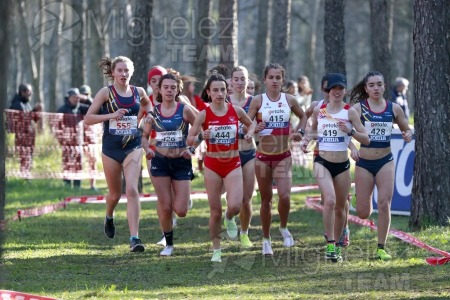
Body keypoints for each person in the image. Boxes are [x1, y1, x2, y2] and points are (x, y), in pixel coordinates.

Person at [84, 56, 152, 252]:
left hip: (133, 146)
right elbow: (88, 118)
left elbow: (149, 107)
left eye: (127, 70)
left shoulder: (138, 92)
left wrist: (147, 119)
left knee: (131, 189)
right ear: (113, 73)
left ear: (131, 73)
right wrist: (111, 115)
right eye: (120, 70)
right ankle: (109, 216)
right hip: (111, 149)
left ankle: (134, 238)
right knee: (115, 194)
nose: (123, 74)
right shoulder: (106, 92)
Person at [187, 72, 256, 262]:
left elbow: (251, 126)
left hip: (233, 163)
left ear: (227, 91)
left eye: (223, 90)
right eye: (215, 90)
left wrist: (249, 134)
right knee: (214, 210)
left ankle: (230, 217)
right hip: (212, 165)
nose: (219, 93)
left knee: (235, 205)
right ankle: (216, 249)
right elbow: (190, 139)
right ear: (208, 93)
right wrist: (203, 136)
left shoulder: (236, 111)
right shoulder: (204, 114)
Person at [301, 73, 369, 262]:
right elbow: (314, 131)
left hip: (342, 165)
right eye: (334, 89)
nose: (337, 92)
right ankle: (330, 244)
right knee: (329, 201)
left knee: (341, 208)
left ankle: (338, 245)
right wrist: (307, 141)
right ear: (327, 91)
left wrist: (351, 131)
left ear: (345, 90)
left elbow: (366, 138)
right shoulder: (319, 110)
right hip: (322, 162)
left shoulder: (350, 112)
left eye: (340, 88)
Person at [349, 71, 413, 261]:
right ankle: (357, 197)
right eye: (372, 85)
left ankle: (381, 247)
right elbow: (343, 132)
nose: (376, 88)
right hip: (364, 163)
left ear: (384, 86)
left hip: (385, 161)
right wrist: (352, 148)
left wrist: (407, 134)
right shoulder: (358, 109)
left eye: (379, 84)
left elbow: (406, 128)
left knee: (384, 204)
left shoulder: (394, 109)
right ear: (366, 88)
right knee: (363, 212)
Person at [247, 63, 307, 256]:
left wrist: (301, 132)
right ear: (265, 80)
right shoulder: (258, 100)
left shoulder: (289, 99)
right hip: (263, 158)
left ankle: (283, 227)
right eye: (271, 77)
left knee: (285, 196)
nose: (274, 81)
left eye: (278, 77)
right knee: (266, 201)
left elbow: (304, 116)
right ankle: (266, 239)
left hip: (283, 156)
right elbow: (246, 124)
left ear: (282, 80)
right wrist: (253, 129)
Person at [142, 73, 197, 256]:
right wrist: (147, 149)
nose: (169, 90)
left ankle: (184, 198)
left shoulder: (185, 110)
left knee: (180, 211)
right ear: (159, 89)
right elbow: (144, 136)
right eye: (166, 87)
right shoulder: (153, 113)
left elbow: (201, 130)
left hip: (181, 162)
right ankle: (169, 243)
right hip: (160, 161)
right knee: (165, 206)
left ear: (177, 89)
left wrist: (192, 148)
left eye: (173, 87)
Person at [229, 66, 256, 248]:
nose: (240, 82)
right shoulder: (224, 101)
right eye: (236, 79)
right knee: (234, 200)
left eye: (243, 79)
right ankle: (229, 216)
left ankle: (245, 233)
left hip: (249, 151)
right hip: (229, 153)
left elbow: (260, 123)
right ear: (231, 81)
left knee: (247, 199)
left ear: (248, 81)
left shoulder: (255, 101)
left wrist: (256, 130)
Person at [56, 88, 91, 188]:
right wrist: (61, 138)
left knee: (78, 163)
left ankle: (77, 185)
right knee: (67, 162)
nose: (76, 99)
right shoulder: (62, 109)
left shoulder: (81, 108)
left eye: (77, 97)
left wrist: (87, 99)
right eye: (74, 97)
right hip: (66, 142)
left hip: (78, 141)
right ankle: (67, 184)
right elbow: (56, 125)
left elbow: (95, 107)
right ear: (68, 98)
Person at [8, 83, 42, 177]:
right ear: (22, 92)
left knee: (29, 156)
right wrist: (34, 111)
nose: (30, 94)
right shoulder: (17, 104)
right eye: (28, 91)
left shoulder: (26, 104)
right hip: (23, 136)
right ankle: (24, 176)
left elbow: (32, 120)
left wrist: (37, 112)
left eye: (31, 91)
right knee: (24, 156)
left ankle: (27, 175)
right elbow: (23, 120)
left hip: (30, 136)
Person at [79, 84, 98, 191]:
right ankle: (78, 185)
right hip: (80, 138)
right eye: (83, 95)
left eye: (86, 95)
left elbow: (95, 105)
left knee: (92, 161)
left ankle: (92, 185)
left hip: (91, 138)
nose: (84, 97)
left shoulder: (92, 104)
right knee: (79, 162)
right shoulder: (77, 107)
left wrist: (87, 99)